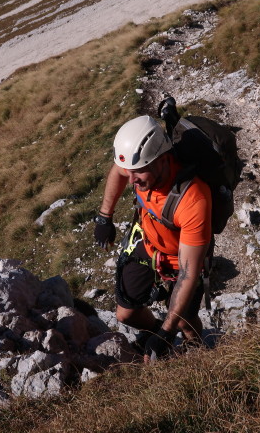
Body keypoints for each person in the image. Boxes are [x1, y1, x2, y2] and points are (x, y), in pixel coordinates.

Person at [94, 115, 212, 362]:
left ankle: (197, 355)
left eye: (139, 173)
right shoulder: (139, 166)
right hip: (146, 241)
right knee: (126, 315)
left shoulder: (193, 199)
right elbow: (119, 170)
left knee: (185, 324)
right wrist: (105, 216)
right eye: (130, 172)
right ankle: (155, 335)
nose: (132, 180)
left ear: (162, 160)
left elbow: (189, 273)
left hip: (180, 258)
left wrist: (167, 332)